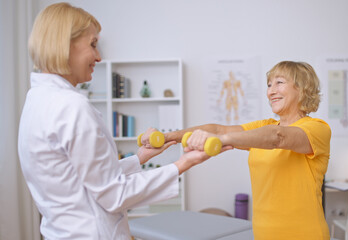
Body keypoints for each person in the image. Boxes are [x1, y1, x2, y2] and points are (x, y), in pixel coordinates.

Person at [17, 3, 223, 239]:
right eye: (93, 44)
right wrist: (183, 163)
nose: (98, 56)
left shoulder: (38, 100)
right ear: (64, 44)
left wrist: (139, 158)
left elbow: (85, 178)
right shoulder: (71, 107)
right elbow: (113, 195)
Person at [144, 61, 331, 239]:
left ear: (302, 87)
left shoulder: (317, 129)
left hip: (304, 234)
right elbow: (217, 129)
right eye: (269, 85)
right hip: (264, 234)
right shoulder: (263, 126)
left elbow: (278, 137)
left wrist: (222, 140)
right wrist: (168, 137)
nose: (271, 91)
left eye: (279, 83)